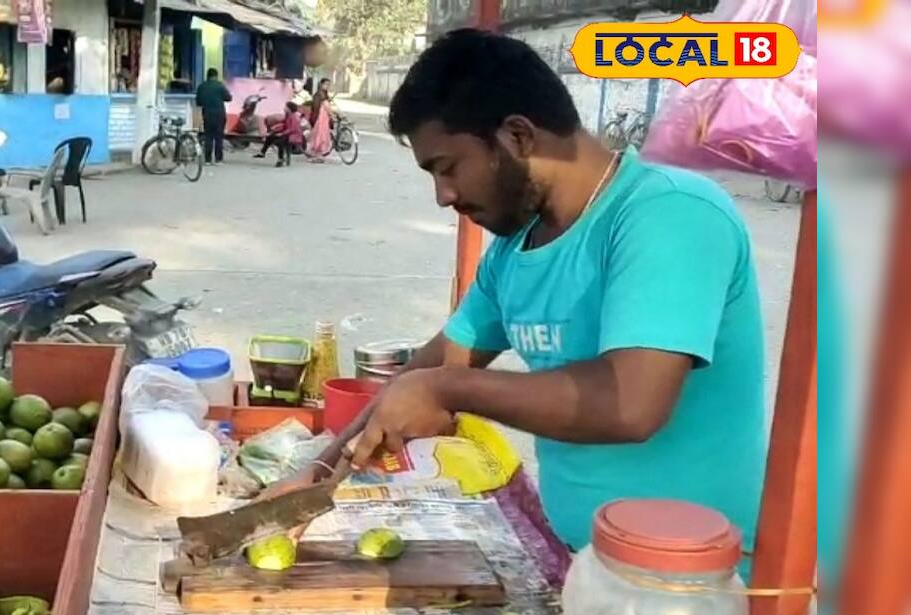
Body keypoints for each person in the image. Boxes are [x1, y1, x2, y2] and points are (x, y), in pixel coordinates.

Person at [263, 30, 766, 577]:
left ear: (517, 135)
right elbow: (436, 364)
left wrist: (447, 390)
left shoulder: (669, 215)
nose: (444, 197)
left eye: (448, 167)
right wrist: (316, 472)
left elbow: (631, 403)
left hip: (688, 582)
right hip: (588, 563)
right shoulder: (514, 248)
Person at [195, 68, 232, 165]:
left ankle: (207, 160)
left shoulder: (201, 86)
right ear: (215, 76)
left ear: (207, 76)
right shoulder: (220, 86)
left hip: (207, 114)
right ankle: (218, 159)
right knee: (219, 137)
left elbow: (198, 102)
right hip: (219, 114)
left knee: (208, 137)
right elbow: (229, 98)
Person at [254, 102, 304, 167]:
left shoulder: (294, 117)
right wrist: (275, 128)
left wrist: (281, 133)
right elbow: (283, 122)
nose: (284, 108)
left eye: (286, 107)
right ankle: (262, 152)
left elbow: (292, 129)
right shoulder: (288, 115)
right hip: (287, 134)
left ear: (289, 108)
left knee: (280, 142)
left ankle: (281, 159)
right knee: (270, 137)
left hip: (293, 136)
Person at [305, 78, 333, 162]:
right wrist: (332, 115)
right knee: (320, 135)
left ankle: (315, 154)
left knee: (318, 134)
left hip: (321, 117)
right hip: (320, 117)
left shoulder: (321, 93)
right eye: (326, 84)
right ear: (321, 84)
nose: (327, 86)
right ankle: (318, 154)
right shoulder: (321, 94)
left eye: (328, 85)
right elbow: (326, 106)